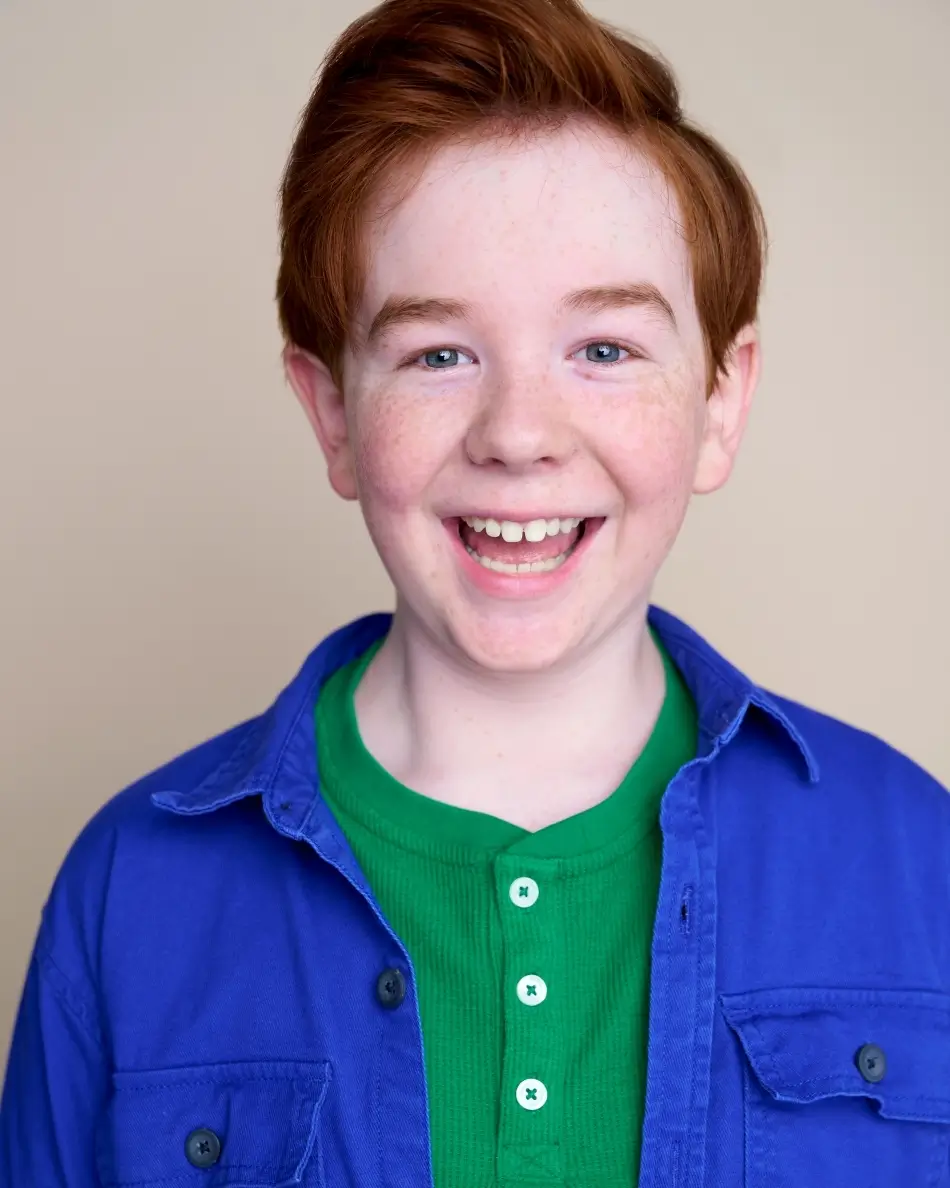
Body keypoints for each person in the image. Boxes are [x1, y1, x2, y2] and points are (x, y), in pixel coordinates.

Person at [3, 0, 948, 1184]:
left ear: (720, 402)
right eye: (437, 353)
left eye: (602, 349)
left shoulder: (921, 863)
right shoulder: (127, 895)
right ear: (330, 412)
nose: (517, 435)